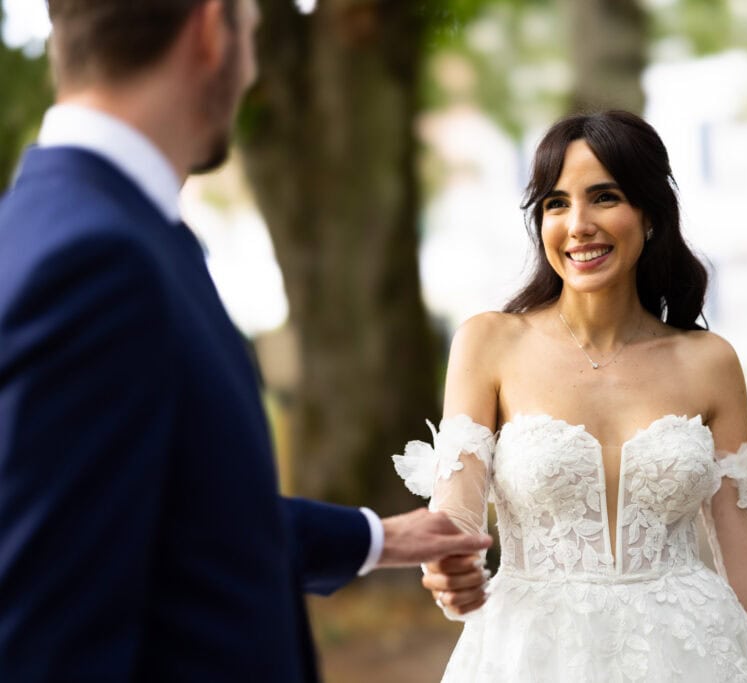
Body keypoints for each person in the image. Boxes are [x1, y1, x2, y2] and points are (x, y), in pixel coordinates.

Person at [0, 1, 490, 681]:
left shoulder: (82, 226)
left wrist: (377, 537)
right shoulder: (97, 261)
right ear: (210, 30)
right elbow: (48, 641)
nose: (254, 67)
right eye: (253, 34)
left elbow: (177, 520)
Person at [393, 111, 747, 681]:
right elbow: (455, 517)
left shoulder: (709, 362)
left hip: (693, 657)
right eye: (556, 203)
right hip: (530, 657)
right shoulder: (489, 343)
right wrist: (450, 568)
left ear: (649, 214)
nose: (578, 224)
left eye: (604, 197)